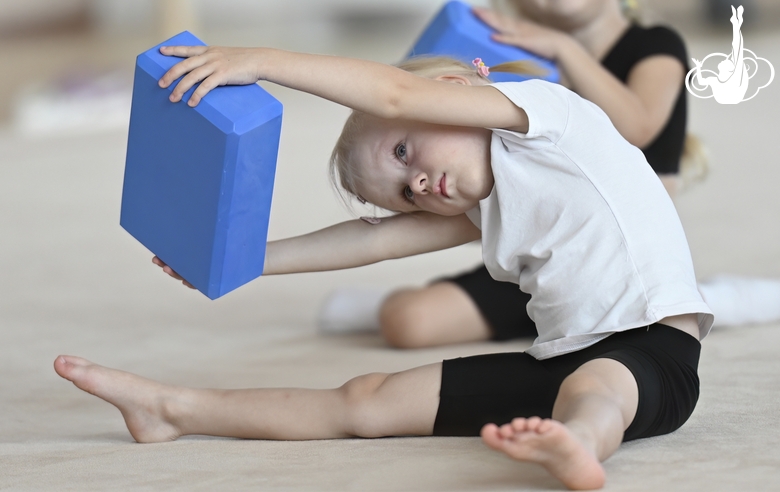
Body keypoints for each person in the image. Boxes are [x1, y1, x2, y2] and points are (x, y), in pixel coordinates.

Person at [55, 41, 712, 490]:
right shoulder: (486, 204)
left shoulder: (545, 118)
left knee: (595, 390)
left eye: (404, 152)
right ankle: (175, 409)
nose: (418, 187)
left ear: (456, 89)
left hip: (655, 353)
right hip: (562, 360)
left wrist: (257, 60)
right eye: (402, 193)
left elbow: (395, 94)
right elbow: (373, 242)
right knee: (366, 401)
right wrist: (242, 261)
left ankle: (579, 446)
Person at [317, 0, 780, 347]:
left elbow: (636, 127)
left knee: (632, 315)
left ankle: (713, 297)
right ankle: (405, 304)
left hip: (619, 253)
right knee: (407, 323)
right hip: (543, 254)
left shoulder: (656, 44)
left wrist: (563, 49)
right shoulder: (532, 72)